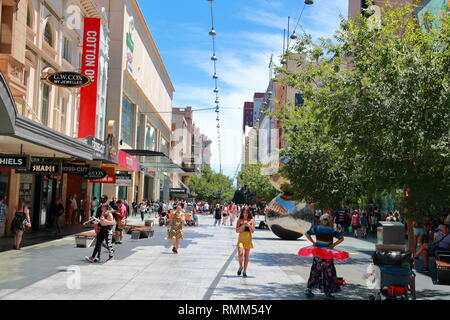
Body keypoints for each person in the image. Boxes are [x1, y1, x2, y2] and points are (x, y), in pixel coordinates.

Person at [302, 214, 346, 299]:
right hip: (328, 253)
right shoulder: (332, 230)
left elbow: (307, 234)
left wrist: (313, 242)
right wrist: (333, 245)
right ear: (329, 221)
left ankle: (309, 289)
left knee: (315, 270)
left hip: (318, 252)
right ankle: (328, 292)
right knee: (329, 272)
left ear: (321, 220)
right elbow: (341, 238)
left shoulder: (317, 228)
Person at [236, 207, 255, 277]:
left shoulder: (251, 220)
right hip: (241, 239)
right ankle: (241, 266)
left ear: (249, 213)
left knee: (246, 256)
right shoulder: (239, 220)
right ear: (242, 213)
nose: (245, 214)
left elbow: (252, 231)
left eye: (246, 213)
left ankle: (244, 271)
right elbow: (237, 231)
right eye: (244, 213)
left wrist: (249, 225)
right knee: (240, 254)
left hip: (248, 239)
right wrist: (243, 225)